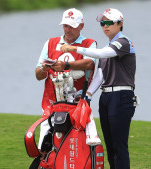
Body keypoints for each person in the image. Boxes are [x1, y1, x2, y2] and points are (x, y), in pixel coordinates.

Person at [60, 8, 138, 169]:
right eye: (103, 23)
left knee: (119, 146)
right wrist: (87, 94)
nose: (105, 26)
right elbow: (100, 76)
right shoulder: (107, 47)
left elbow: (101, 54)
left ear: (120, 23)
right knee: (109, 145)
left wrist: (75, 49)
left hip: (122, 96)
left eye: (109, 22)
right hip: (106, 98)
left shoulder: (123, 43)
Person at [35, 8, 97, 157]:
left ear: (81, 26)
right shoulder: (50, 43)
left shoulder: (89, 43)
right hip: (51, 104)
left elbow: (89, 63)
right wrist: (44, 68)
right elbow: (38, 75)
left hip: (77, 106)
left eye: (72, 26)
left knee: (74, 149)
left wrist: (66, 66)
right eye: (65, 26)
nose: (67, 30)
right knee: (45, 147)